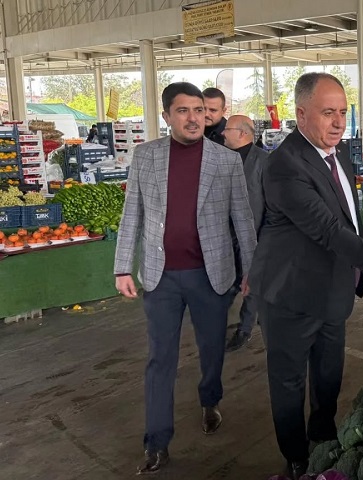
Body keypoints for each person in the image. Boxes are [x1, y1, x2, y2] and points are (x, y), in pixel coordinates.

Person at [246, 72, 363, 480]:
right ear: (301, 114)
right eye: (328, 113)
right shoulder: (284, 166)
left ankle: (322, 435)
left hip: (333, 289)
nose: (338, 122)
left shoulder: (339, 152)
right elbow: (328, 229)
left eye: (343, 112)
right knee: (289, 382)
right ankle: (295, 455)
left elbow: (349, 220)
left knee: (329, 374)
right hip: (290, 295)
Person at [113, 82, 257, 475]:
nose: (193, 118)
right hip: (160, 278)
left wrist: (251, 270)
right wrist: (122, 266)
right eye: (183, 110)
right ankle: (156, 443)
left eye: (199, 110)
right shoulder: (146, 156)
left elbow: (243, 219)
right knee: (160, 358)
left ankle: (210, 400)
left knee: (211, 349)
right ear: (166, 116)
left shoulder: (225, 161)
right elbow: (132, 213)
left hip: (211, 275)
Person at [221, 115, 268, 352]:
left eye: (227, 129)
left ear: (242, 133)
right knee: (228, 282)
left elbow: (271, 203)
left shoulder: (264, 161)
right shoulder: (221, 158)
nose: (222, 133)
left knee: (252, 284)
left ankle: (245, 329)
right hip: (226, 236)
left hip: (255, 235)